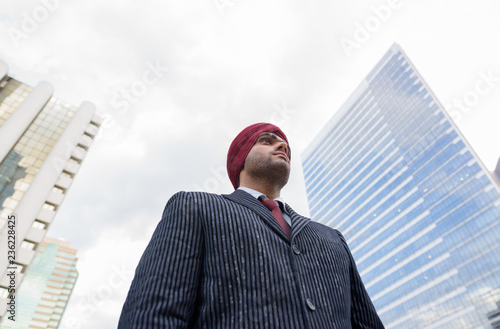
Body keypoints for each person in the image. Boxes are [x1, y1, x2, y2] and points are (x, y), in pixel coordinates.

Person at [118, 122, 384, 328]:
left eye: (286, 146)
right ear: (240, 158)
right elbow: (154, 311)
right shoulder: (194, 206)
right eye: (266, 141)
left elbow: (366, 322)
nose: (281, 146)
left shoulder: (332, 237)